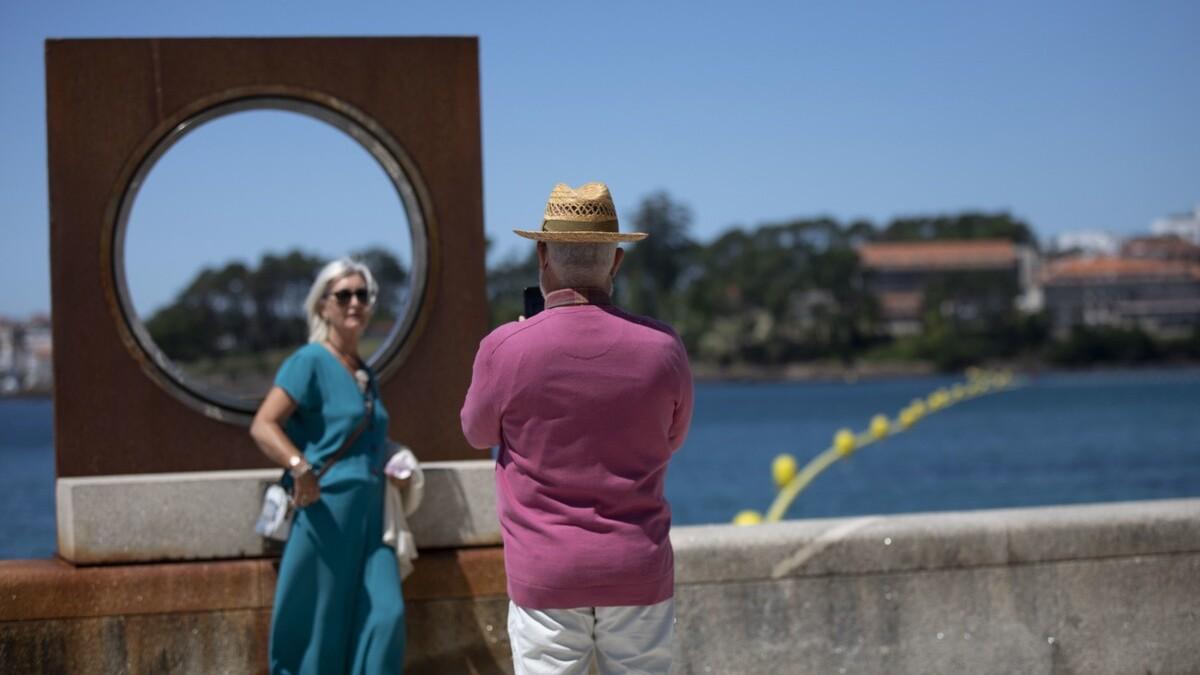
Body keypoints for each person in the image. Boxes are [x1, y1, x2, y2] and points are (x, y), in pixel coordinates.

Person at [461, 182, 694, 675]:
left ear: (542, 254)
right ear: (616, 262)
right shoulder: (663, 347)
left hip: (545, 572)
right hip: (637, 566)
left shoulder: (505, 348)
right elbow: (673, 438)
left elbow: (477, 433)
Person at [250, 258, 408, 674]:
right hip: (325, 513)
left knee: (385, 615)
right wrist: (299, 466)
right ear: (323, 306)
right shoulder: (310, 361)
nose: (355, 302)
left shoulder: (363, 371)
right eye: (344, 295)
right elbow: (264, 425)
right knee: (318, 631)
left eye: (362, 294)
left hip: (372, 519)